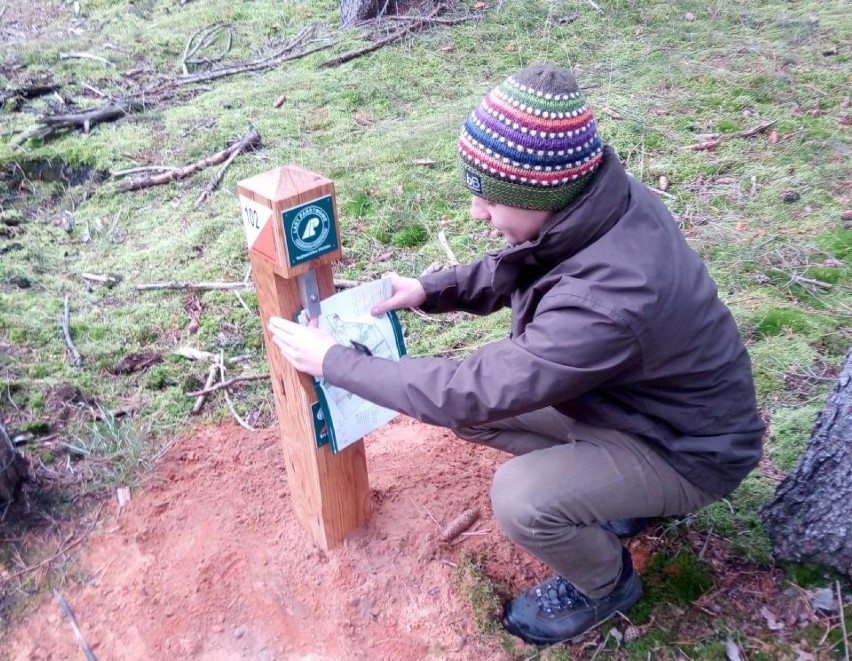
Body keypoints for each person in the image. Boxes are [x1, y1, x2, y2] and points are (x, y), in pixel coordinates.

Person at [268, 63, 765, 645]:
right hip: (639, 410)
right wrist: (434, 288)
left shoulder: (611, 298)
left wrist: (336, 363)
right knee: (485, 415)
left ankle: (605, 585)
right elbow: (538, 256)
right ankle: (610, 494)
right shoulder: (601, 205)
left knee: (521, 498)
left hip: (687, 452)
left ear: (539, 194)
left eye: (488, 200)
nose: (478, 213)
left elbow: (467, 390)